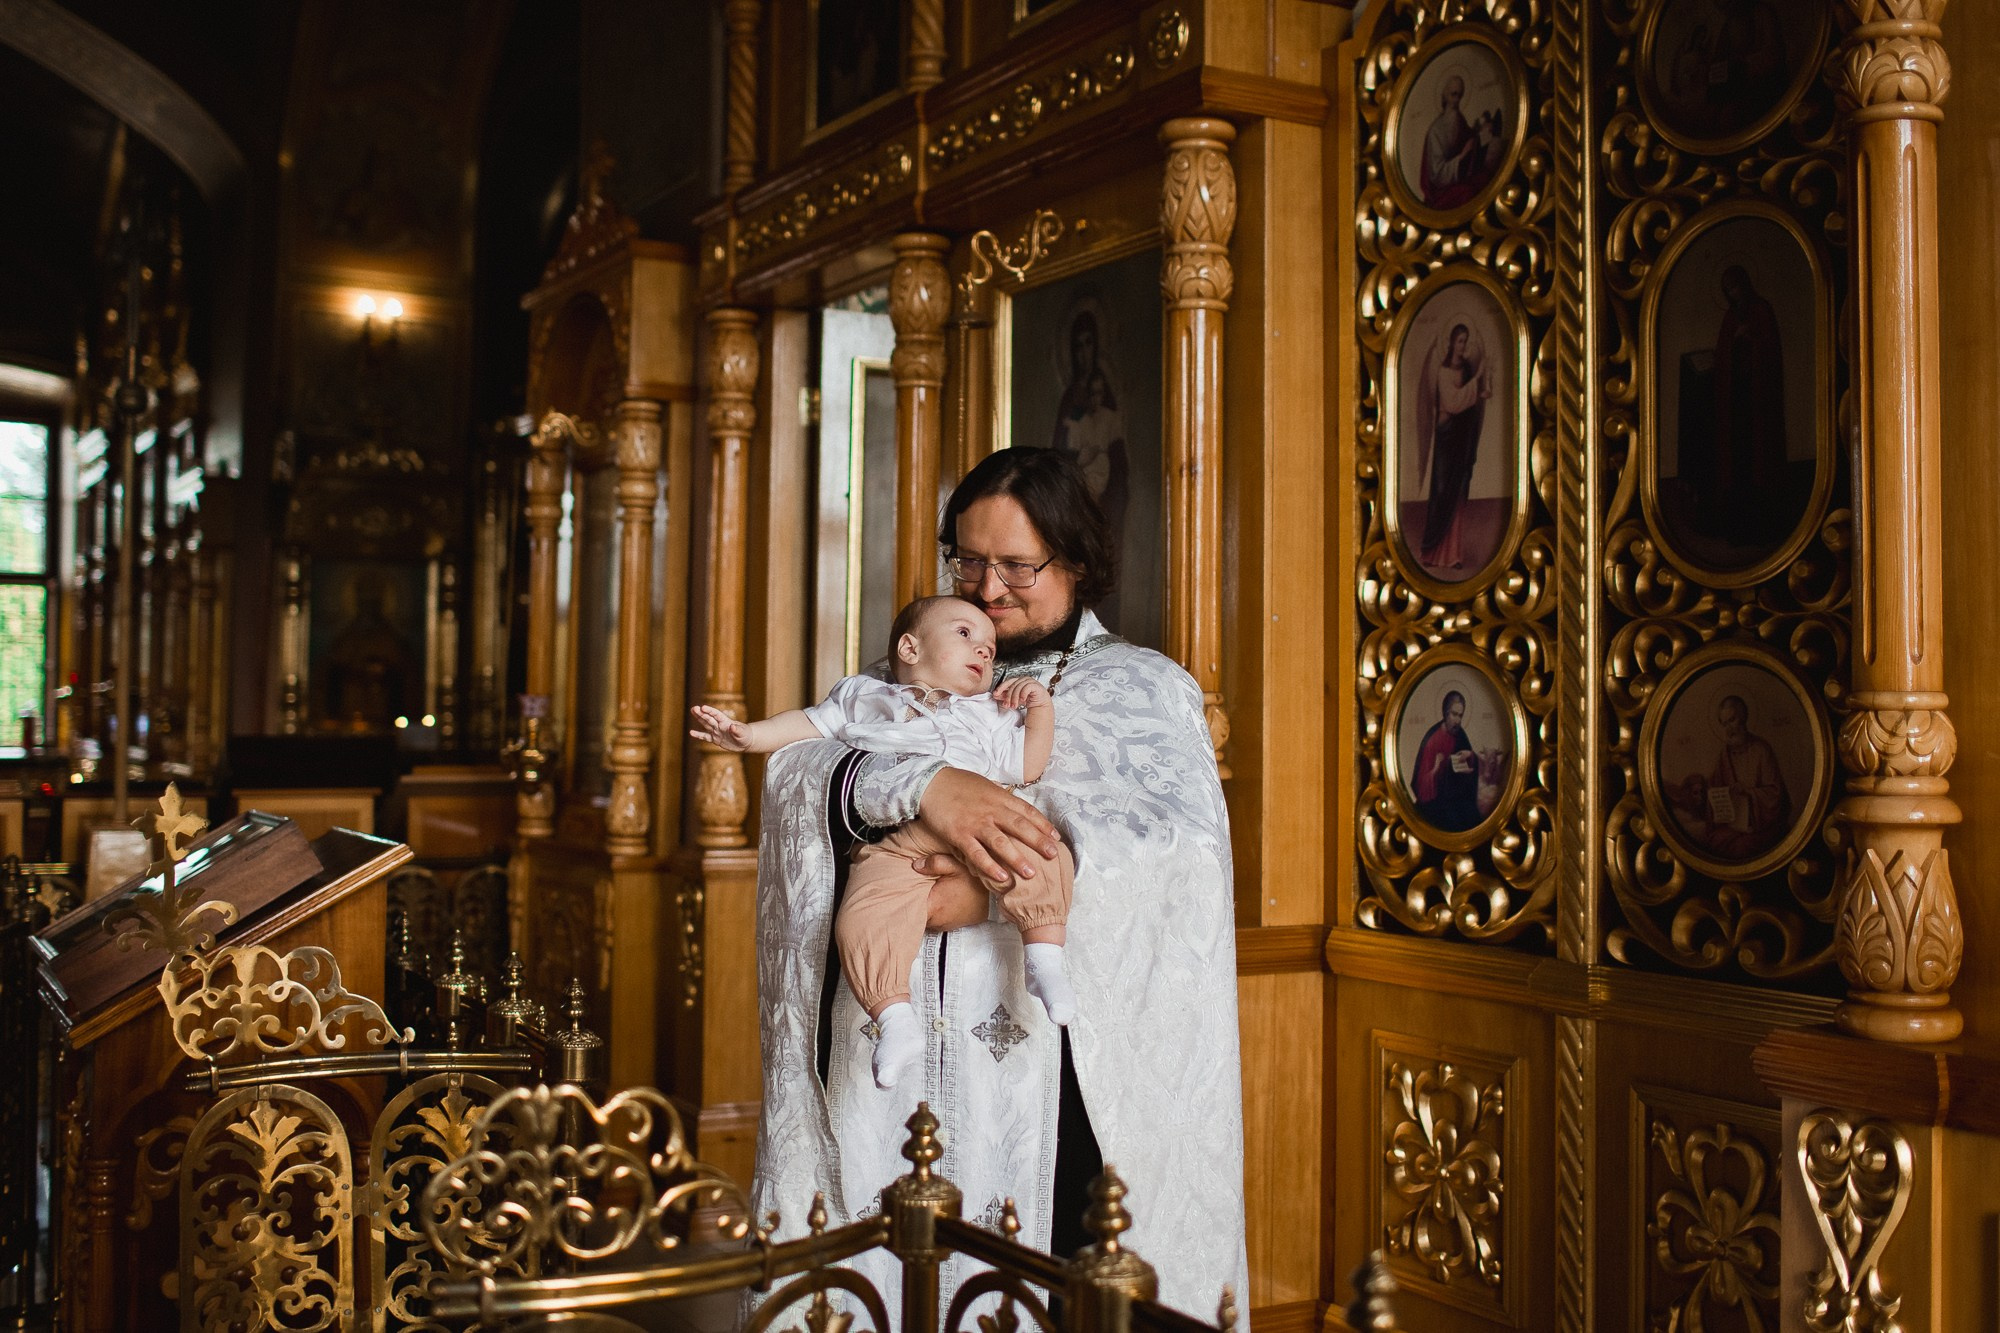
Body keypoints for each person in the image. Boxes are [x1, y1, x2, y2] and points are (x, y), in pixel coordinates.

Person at [750, 447, 1246, 1316]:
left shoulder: (1141, 688)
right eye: (967, 561)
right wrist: (925, 787)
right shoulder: (909, 677)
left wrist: (984, 891)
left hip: (1049, 1072)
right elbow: (799, 771)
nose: (987, 588)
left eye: (1017, 565)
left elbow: (1177, 861)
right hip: (891, 1064)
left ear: (1078, 564)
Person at [689, 594, 1076, 1090]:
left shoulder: (989, 713)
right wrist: (749, 736)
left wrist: (1040, 709)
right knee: (864, 913)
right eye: (965, 634)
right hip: (900, 838)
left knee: (1044, 851)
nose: (984, 651)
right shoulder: (864, 697)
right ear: (910, 648)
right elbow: (809, 724)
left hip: (981, 828)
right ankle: (893, 1016)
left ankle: (1044, 958)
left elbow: (1026, 766)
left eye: (990, 646)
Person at [1050, 312, 1129, 627]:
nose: (1084, 353)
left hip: (1105, 497)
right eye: (1078, 346)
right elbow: (1057, 454)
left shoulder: (1104, 392)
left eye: (1088, 344)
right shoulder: (1070, 396)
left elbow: (1119, 454)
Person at [1670, 693, 1791, 860]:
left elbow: (1775, 794)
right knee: (1714, 841)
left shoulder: (1761, 750)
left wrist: (1748, 793)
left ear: (1743, 718)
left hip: (1761, 825)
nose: (1729, 729)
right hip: (1734, 824)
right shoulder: (1724, 755)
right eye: (1724, 723)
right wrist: (1720, 794)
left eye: (1732, 720)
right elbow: (1714, 790)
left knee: (1741, 848)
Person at [1413, 321, 1492, 573]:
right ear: (1451, 343)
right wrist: (1477, 380)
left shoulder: (1467, 369)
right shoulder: (1443, 372)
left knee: (1459, 494)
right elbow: (1454, 402)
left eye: (1466, 341)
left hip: (1461, 440)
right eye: (1460, 341)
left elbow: (1476, 399)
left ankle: (1454, 555)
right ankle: (1433, 551)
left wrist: (1481, 384)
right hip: (1446, 441)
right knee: (1441, 492)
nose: (1463, 346)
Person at [1418, 73, 1504, 211]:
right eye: (1454, 94)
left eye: (1460, 95)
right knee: (1468, 193)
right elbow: (1437, 174)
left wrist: (1483, 131)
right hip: (1441, 190)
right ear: (1445, 95)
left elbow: (1469, 139)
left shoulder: (1459, 120)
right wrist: (1462, 157)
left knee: (1486, 179)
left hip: (1461, 177)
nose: (1457, 100)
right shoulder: (1436, 131)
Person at [1410, 690, 1490, 832]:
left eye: (1460, 715)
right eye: (1454, 714)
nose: (1458, 720)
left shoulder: (1460, 734)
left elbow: (1470, 767)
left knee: (1475, 820)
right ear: (1445, 713)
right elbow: (1421, 786)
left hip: (1457, 799)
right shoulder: (1432, 740)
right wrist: (1436, 769)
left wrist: (1470, 756)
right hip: (1436, 803)